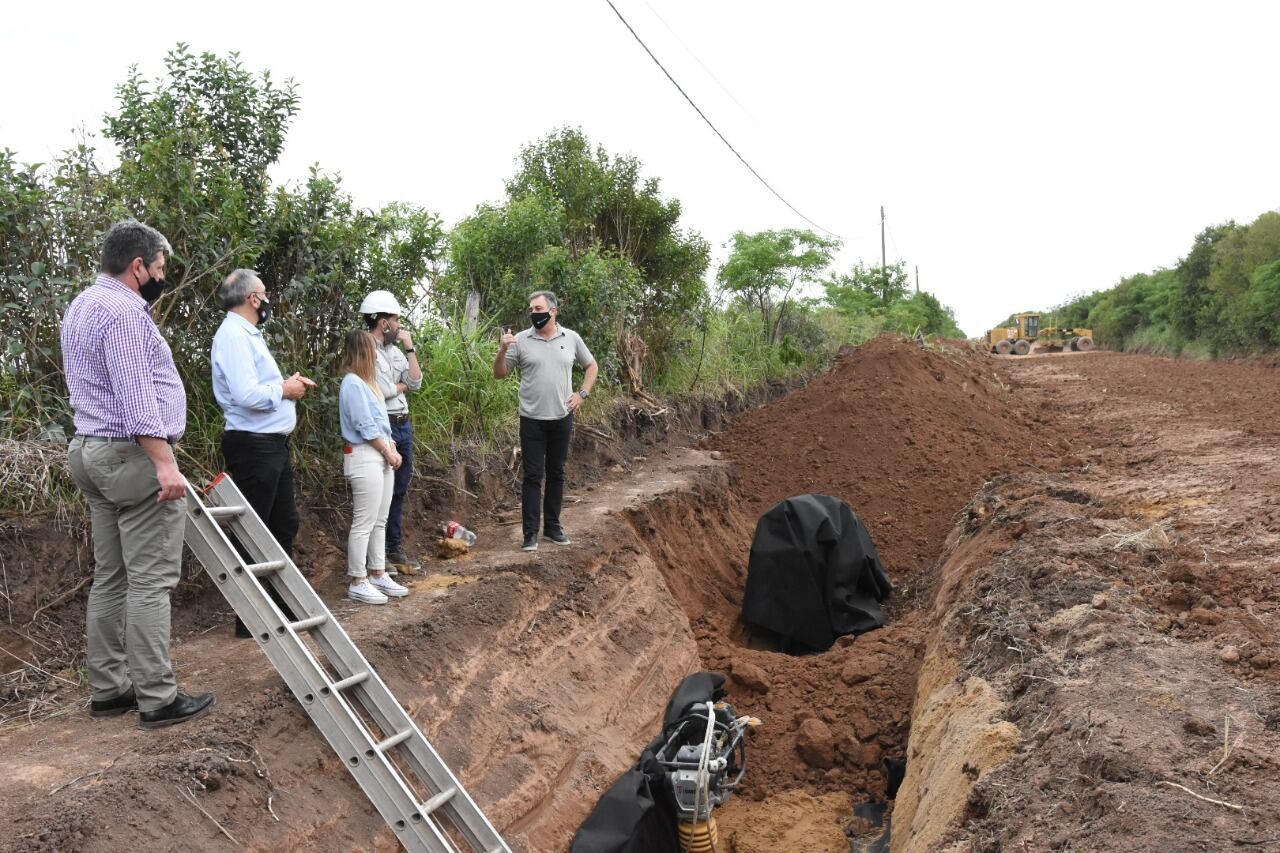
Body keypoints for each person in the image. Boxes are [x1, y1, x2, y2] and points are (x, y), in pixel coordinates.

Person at [61, 219, 215, 729]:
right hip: (132, 456)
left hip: (89, 452)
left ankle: (108, 690)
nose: (162, 275)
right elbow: (135, 396)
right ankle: (157, 697)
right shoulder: (126, 313)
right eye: (161, 267)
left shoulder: (82, 305)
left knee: (112, 576)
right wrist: (164, 462)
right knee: (150, 581)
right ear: (138, 266)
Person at [211, 269, 316, 637]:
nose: (268, 300)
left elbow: (258, 387)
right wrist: (285, 390)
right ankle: (250, 618)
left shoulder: (246, 335)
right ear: (254, 298)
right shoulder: (234, 337)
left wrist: (287, 384)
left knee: (282, 524)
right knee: (255, 530)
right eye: (265, 294)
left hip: (271, 445)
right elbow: (245, 395)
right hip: (254, 446)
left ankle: (277, 605)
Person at [493, 290, 598, 552]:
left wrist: (582, 394)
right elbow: (500, 373)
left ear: (553, 311)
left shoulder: (571, 338)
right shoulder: (520, 340)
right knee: (532, 475)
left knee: (557, 473)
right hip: (532, 419)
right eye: (531, 309)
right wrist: (503, 348)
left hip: (562, 418)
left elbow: (591, 366)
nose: (534, 314)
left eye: (539, 309)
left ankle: (552, 527)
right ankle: (530, 534)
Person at [339, 330, 410, 603]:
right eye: (373, 350)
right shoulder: (352, 383)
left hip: (381, 453)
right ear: (364, 352)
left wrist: (391, 448)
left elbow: (381, 423)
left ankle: (378, 572)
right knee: (364, 521)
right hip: (364, 454)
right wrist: (387, 450)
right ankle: (358, 579)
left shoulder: (370, 384)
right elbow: (364, 425)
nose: (377, 355)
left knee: (380, 520)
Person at [359, 290, 423, 575]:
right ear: (384, 322)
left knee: (398, 490)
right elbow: (383, 391)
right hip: (384, 425)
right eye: (396, 319)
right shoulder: (366, 350)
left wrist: (410, 348)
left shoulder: (395, 351)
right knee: (381, 493)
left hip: (403, 424)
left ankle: (393, 549)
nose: (400, 325)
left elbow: (415, 381)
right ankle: (378, 556)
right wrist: (399, 386)